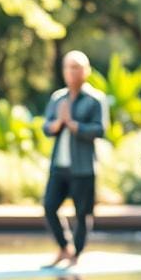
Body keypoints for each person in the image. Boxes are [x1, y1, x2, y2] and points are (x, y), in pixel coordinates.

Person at [42, 50, 108, 267]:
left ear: (86, 71)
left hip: (83, 168)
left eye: (77, 67)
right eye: (69, 67)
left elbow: (100, 129)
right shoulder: (57, 98)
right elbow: (46, 127)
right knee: (49, 206)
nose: (72, 72)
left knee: (82, 213)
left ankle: (76, 254)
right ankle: (64, 247)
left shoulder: (95, 99)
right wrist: (58, 124)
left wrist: (72, 124)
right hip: (59, 166)